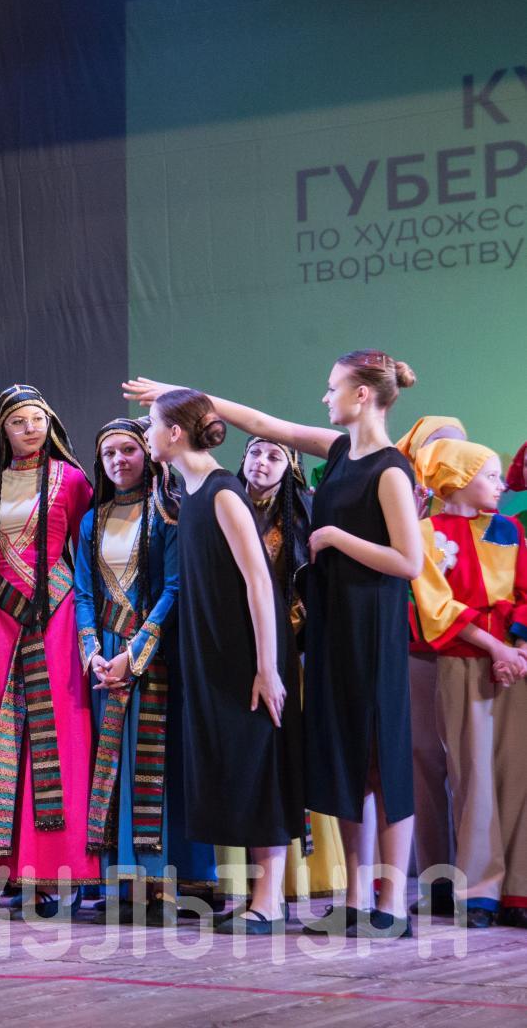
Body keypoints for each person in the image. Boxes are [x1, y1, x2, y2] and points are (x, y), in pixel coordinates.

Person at [127, 350, 425, 938]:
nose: (325, 397)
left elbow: (409, 560)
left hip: (372, 624)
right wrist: (185, 394)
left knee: (379, 761)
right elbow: (265, 424)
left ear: (362, 395)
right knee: (344, 762)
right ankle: (357, 899)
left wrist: (335, 536)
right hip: (334, 621)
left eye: (333, 387)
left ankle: (392, 905)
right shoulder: (339, 451)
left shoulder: (391, 468)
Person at [143, 390, 301, 935]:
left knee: (259, 763)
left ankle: (270, 901)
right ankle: (261, 896)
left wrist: (267, 667)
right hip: (212, 649)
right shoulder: (190, 493)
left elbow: (259, 581)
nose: (146, 431)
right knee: (236, 766)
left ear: (175, 433)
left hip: (247, 650)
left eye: (152, 422)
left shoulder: (222, 491)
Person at [73, 416, 215, 924]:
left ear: (148, 454)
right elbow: (83, 593)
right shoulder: (92, 520)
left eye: (128, 450)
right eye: (109, 453)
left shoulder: (168, 514)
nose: (119, 460)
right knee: (112, 769)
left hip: (153, 654)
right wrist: (92, 651)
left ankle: (168, 886)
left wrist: (134, 655)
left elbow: (175, 588)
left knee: (158, 767)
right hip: (107, 658)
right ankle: (125, 886)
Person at [0, 384, 96, 918]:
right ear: (2, 429)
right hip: (0, 619)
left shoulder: (71, 480)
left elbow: (88, 552)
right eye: (18, 421)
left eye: (37, 419)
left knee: (55, 737)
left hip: (55, 617)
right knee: (2, 736)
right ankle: (5, 870)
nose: (29, 429)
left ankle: (55, 872)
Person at [408, 439, 527, 928]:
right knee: (473, 776)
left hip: (516, 664)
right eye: (490, 476)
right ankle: (480, 891)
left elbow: (524, 590)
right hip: (463, 662)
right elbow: (436, 606)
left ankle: (518, 889)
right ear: (457, 479)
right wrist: (497, 649)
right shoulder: (426, 533)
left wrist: (518, 649)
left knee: (517, 774)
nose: (501, 485)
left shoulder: (509, 529)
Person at [235, 437, 346, 902]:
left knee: (283, 754)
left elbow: (312, 588)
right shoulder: (224, 505)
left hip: (285, 655)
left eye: (274, 455)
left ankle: (291, 879)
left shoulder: (302, 512)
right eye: (255, 452)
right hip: (228, 651)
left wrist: (279, 634)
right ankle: (236, 876)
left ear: (291, 467)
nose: (261, 462)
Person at [395, 416, 468, 912]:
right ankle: (436, 880)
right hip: (416, 646)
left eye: (456, 449)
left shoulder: (483, 513)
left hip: (469, 651)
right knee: (424, 759)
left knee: (471, 765)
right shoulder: (400, 503)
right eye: (436, 448)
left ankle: (480, 882)